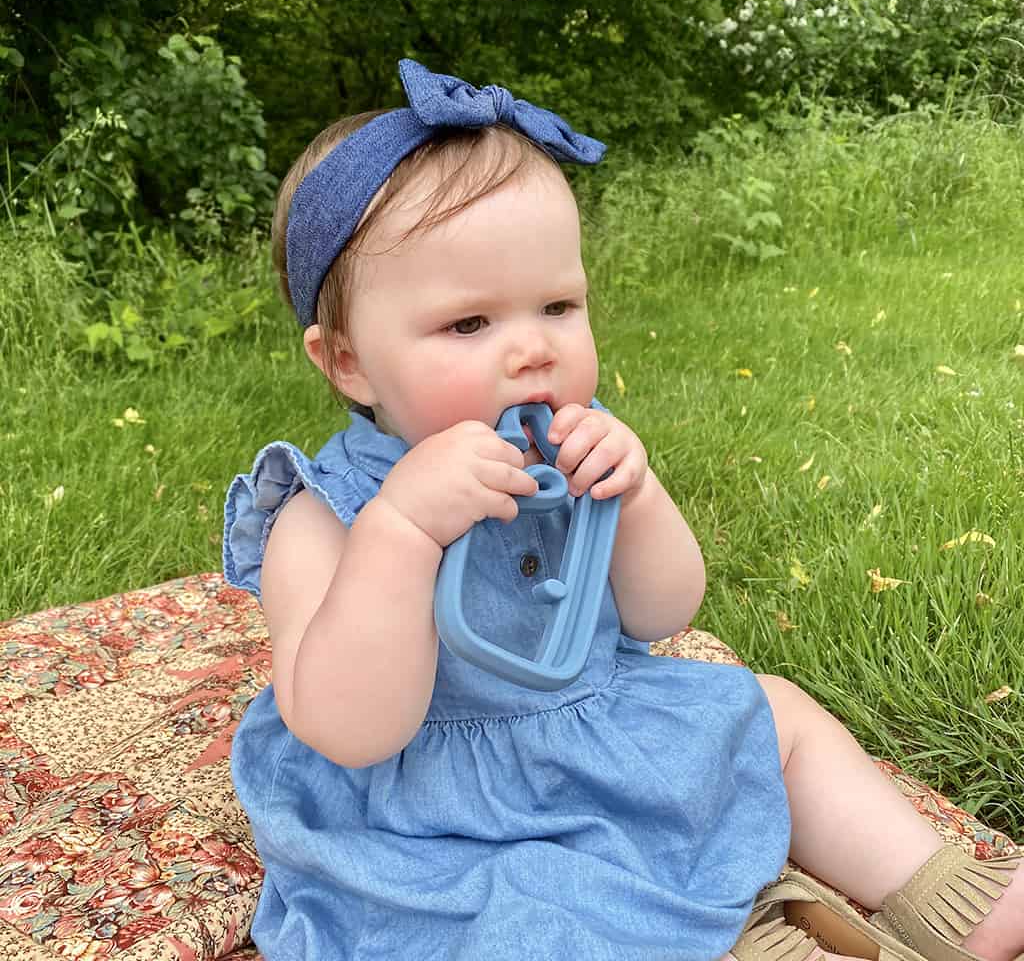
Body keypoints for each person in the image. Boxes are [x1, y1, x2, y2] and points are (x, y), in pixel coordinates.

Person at [222, 59, 1023, 961]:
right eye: (468, 325)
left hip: (598, 725)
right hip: (444, 808)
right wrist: (400, 533)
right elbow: (352, 731)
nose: (532, 349)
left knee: (774, 716)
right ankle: (740, 938)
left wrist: (635, 495)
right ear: (348, 363)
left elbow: (664, 610)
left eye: (558, 305)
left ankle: (949, 897)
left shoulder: (572, 445)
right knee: (539, 912)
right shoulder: (322, 514)